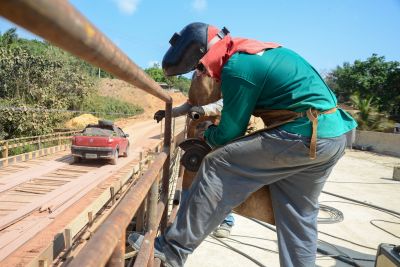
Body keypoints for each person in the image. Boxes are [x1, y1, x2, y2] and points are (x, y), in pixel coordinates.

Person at [129, 22, 357, 267]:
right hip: (333, 136)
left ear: (203, 55)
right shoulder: (253, 51)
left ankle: (173, 249)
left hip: (304, 134)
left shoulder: (237, 67)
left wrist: (209, 135)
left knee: (218, 164)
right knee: (298, 213)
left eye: (198, 67)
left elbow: (230, 132)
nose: (204, 73)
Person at [154, 98, 235, 238]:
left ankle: (226, 221)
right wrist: (168, 113)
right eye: (199, 73)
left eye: (203, 73)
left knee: (222, 180)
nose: (200, 74)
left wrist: (204, 110)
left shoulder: (223, 81)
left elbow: (226, 103)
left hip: (221, 134)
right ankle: (183, 218)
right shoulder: (198, 80)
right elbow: (186, 106)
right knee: (189, 178)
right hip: (199, 137)